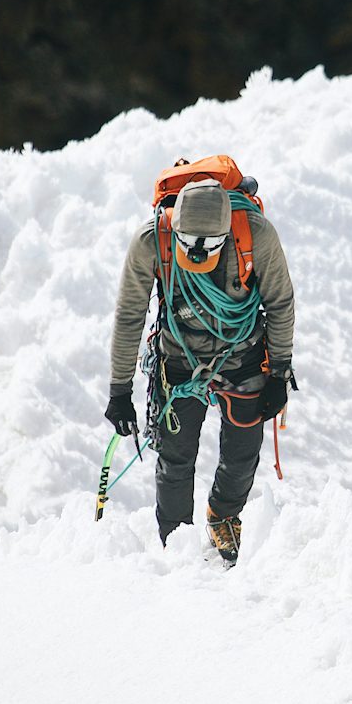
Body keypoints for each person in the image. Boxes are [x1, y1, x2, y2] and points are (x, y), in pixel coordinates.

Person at [107, 175, 295, 563]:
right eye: (189, 243)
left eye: (210, 245)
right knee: (175, 460)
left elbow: (280, 302)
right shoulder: (152, 241)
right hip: (178, 361)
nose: (197, 254)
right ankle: (176, 543)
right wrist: (119, 390)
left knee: (243, 453)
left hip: (243, 356)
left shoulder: (255, 235)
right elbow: (129, 315)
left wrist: (279, 372)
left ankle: (223, 515)